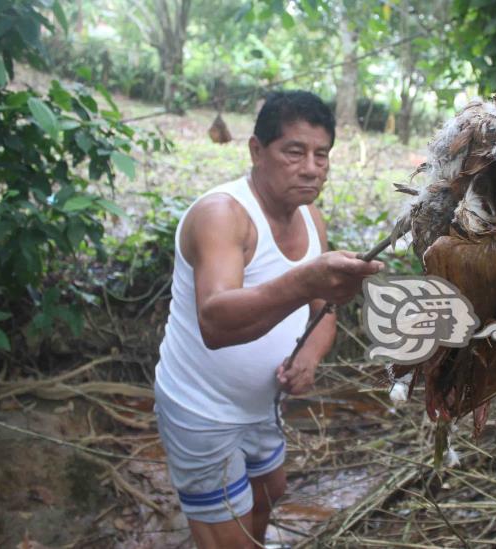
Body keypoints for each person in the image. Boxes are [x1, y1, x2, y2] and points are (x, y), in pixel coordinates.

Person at [153, 90, 383, 549]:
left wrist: (311, 356)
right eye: (294, 152)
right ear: (257, 151)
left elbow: (325, 309)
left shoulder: (311, 219)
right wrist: (304, 281)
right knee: (229, 534)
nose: (311, 167)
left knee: (268, 495)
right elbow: (216, 323)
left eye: (322, 155)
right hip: (203, 410)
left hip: (263, 406)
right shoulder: (223, 215)